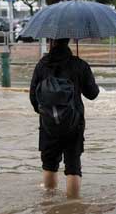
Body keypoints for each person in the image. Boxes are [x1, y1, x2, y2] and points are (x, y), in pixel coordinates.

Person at [29, 38, 99, 198]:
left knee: (49, 164)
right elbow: (93, 94)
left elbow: (33, 98)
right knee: (73, 166)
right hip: (74, 123)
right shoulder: (79, 65)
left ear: (50, 41)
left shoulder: (42, 65)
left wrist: (47, 114)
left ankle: (48, 204)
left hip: (48, 124)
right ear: (69, 40)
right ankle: (73, 205)